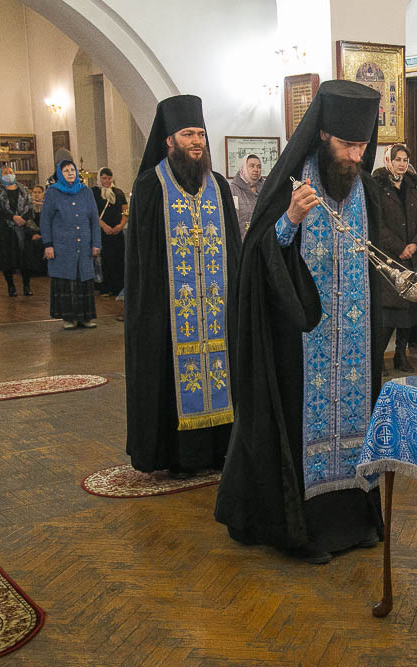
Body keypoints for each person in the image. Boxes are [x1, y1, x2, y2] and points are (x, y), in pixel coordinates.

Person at [215, 80, 387, 564]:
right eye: (347, 145)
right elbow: (257, 257)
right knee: (298, 427)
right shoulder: (291, 183)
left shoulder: (366, 192)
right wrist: (289, 219)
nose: (355, 156)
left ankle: (356, 519)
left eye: (362, 146)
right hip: (298, 338)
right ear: (324, 135)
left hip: (354, 341)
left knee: (357, 422)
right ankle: (300, 530)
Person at [124, 94, 241, 477]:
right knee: (171, 380)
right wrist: (152, 314)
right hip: (170, 315)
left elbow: (234, 252)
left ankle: (221, 449)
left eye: (201, 134)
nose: (196, 141)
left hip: (218, 314)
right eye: (188, 134)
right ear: (169, 140)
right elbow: (141, 263)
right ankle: (177, 457)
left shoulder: (218, 187)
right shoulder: (150, 186)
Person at [372, 144, 417, 373]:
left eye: (405, 160)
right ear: (388, 161)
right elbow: (378, 223)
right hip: (390, 259)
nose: (402, 164)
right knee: (390, 312)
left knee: (409, 311)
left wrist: (415, 244)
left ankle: (400, 355)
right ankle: (378, 358)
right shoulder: (379, 186)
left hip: (412, 258)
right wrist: (399, 247)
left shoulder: (412, 187)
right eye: (398, 159)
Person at [40, 160, 101, 328]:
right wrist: (48, 245)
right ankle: (68, 318)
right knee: (66, 282)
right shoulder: (53, 193)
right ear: (60, 174)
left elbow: (94, 220)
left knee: (84, 281)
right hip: (62, 247)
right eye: (66, 170)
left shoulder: (86, 192)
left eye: (72, 170)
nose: (70, 173)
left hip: (84, 246)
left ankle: (85, 317)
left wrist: (96, 243)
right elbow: (45, 220)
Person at [0, 165, 36, 296]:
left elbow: (30, 207)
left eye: (10, 172)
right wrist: (12, 217)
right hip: (6, 230)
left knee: (26, 259)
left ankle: (27, 286)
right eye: (5, 173)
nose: (8, 175)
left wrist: (23, 219)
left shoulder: (24, 189)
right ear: (1, 176)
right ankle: (11, 286)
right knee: (8, 260)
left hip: (23, 228)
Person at [92, 167, 128, 296]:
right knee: (104, 260)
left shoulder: (118, 192)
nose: (107, 181)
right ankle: (105, 287)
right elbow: (92, 213)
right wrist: (104, 226)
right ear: (99, 178)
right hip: (102, 232)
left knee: (118, 258)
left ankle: (118, 287)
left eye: (109, 178)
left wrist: (121, 225)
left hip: (116, 231)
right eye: (104, 178)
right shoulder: (94, 192)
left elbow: (125, 211)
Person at [228, 153, 265, 237]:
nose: (256, 170)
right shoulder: (233, 190)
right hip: (241, 239)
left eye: (259, 167)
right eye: (252, 166)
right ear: (243, 168)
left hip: (261, 238)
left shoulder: (265, 189)